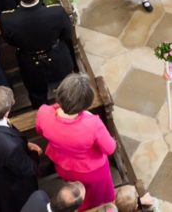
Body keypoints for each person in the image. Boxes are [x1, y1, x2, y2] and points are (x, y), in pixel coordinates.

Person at [37, 74, 117, 211]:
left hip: (64, 167)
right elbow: (109, 149)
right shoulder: (92, 123)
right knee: (99, 202)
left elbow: (40, 131)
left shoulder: (44, 113)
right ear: (85, 104)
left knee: (79, 199)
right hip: (92, 171)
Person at [1, 0, 76, 107]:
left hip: (29, 62)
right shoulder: (56, 12)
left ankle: (42, 114)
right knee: (69, 91)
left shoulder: (7, 19)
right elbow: (66, 34)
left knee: (37, 96)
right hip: (58, 57)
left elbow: (9, 40)